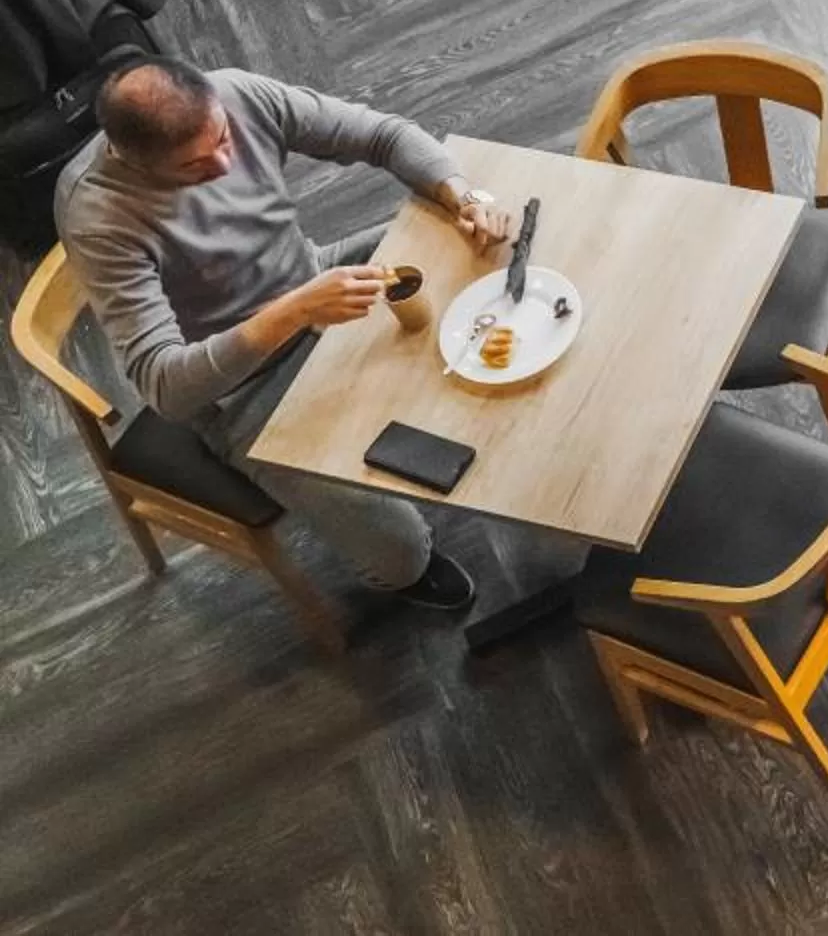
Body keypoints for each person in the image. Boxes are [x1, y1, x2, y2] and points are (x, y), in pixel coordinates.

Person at [53, 58, 521, 611]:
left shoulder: (236, 92)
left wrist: (462, 195)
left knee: (486, 246)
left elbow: (382, 134)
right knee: (401, 557)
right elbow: (165, 389)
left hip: (314, 279)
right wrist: (296, 311)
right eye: (196, 167)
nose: (226, 165)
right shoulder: (98, 215)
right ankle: (403, 561)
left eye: (223, 138)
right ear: (135, 162)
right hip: (242, 384)